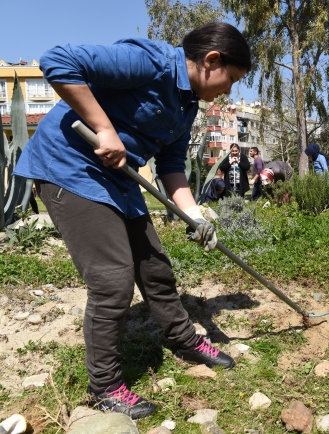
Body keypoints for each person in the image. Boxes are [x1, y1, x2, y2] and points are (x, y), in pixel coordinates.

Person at [13, 22, 252, 419]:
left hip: (119, 178)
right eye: (230, 79)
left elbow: (173, 164)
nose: (227, 90)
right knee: (112, 282)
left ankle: (182, 339)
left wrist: (194, 215)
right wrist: (104, 128)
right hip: (71, 169)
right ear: (212, 61)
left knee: (155, 268)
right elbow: (58, 61)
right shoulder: (150, 62)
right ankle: (104, 387)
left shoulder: (187, 104)